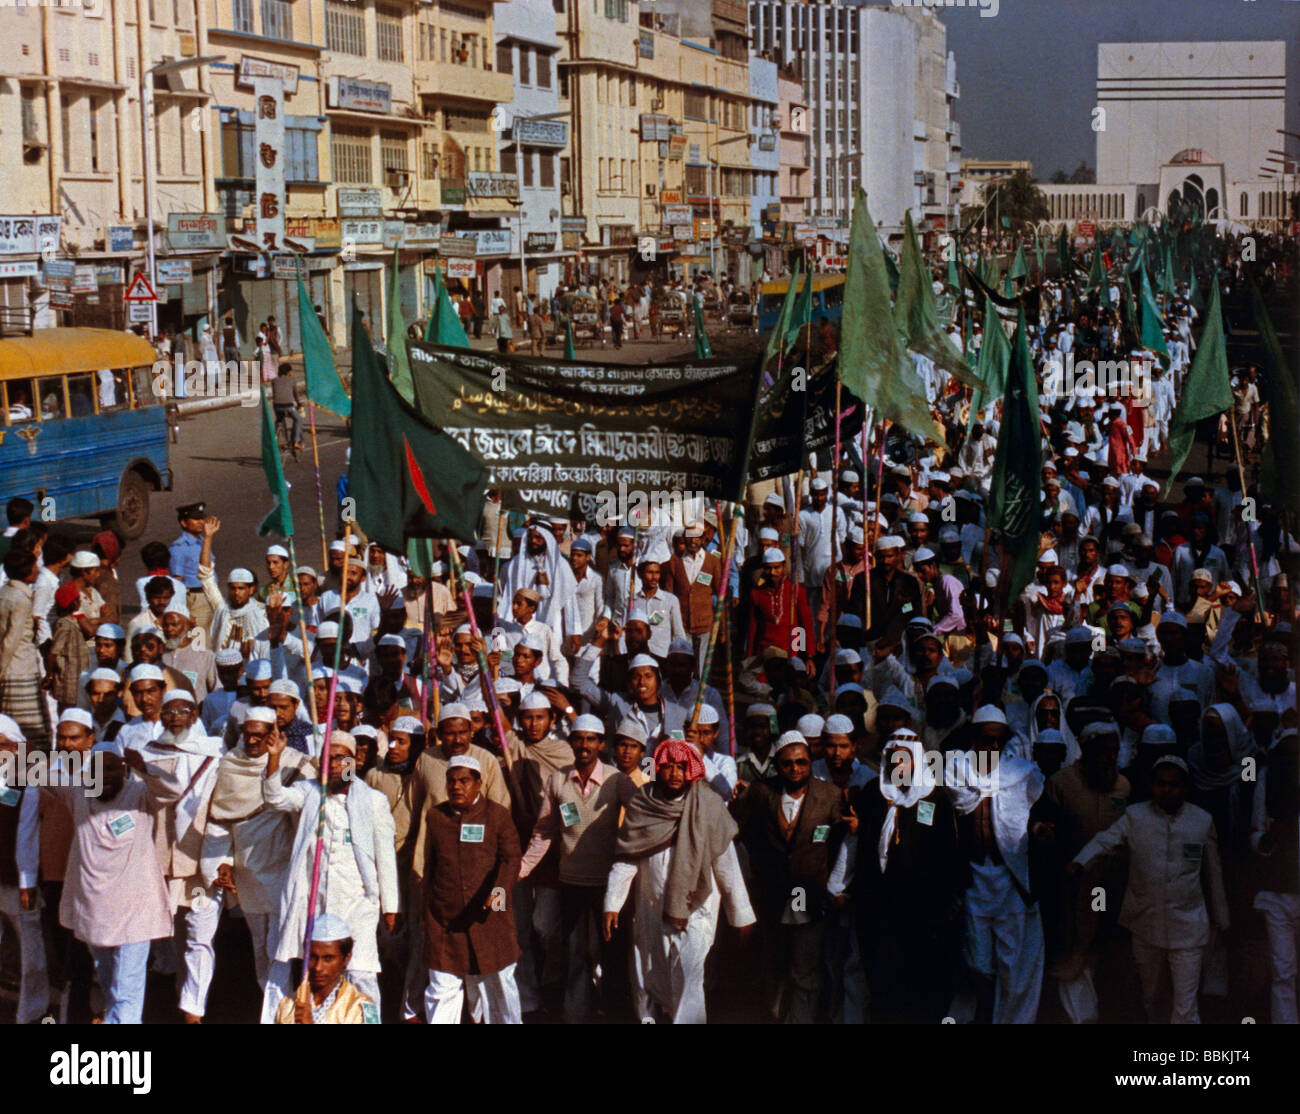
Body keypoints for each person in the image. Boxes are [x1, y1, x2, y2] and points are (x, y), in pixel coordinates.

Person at [602, 738, 756, 1023]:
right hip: (650, 910)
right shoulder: (642, 803)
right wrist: (612, 903)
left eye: (681, 767)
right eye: (668, 767)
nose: (674, 773)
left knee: (688, 979)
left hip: (696, 909)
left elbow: (728, 867)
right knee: (647, 979)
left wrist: (741, 916)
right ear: (657, 769)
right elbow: (626, 857)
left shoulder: (708, 806)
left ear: (693, 770)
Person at [1070, 755, 1229, 1024]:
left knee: (1185, 1006)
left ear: (1185, 788)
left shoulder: (1201, 821)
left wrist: (1222, 919)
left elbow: (1213, 874)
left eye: (1174, 785)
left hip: (1188, 925)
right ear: (1153, 785)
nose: (1167, 790)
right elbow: (1104, 841)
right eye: (1161, 784)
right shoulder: (1135, 816)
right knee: (1152, 997)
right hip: (1145, 922)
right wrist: (1080, 863)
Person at [262, 727, 400, 1020]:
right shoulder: (309, 792)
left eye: (342, 758)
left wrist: (390, 907)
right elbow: (274, 798)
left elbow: (386, 858)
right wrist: (273, 758)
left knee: (362, 971)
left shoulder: (373, 801)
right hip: (310, 899)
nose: (336, 765)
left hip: (356, 902)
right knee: (292, 966)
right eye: (329, 759)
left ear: (355, 761)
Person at [55, 742, 173, 1023]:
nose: (104, 776)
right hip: (94, 909)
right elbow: (38, 773)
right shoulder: (78, 794)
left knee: (127, 986)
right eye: (97, 769)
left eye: (111, 768)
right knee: (108, 979)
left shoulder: (142, 794)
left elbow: (173, 790)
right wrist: (16, 750)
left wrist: (144, 768)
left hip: (135, 911)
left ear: (123, 769)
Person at [423, 755, 523, 1024]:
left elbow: (512, 859)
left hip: (489, 920)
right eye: (451, 781)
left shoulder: (497, 815)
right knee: (442, 988)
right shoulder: (435, 817)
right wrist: (429, 914)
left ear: (479, 783)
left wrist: (499, 895)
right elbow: (430, 867)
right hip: (446, 922)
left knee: (499, 985)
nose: (457, 786)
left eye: (464, 780)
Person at [275, 913, 380, 1024]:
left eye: (328, 958)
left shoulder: (362, 1008)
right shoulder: (287, 1005)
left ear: (346, 958)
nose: (318, 967)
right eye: (312, 957)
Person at [271, 361, 303, 452]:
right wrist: (299, 403)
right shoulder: (292, 380)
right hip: (289, 406)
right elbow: (295, 394)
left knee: (279, 420)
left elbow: (275, 394)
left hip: (277, 406)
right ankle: (295, 441)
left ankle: (275, 436)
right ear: (288, 372)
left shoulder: (274, 380)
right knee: (297, 419)